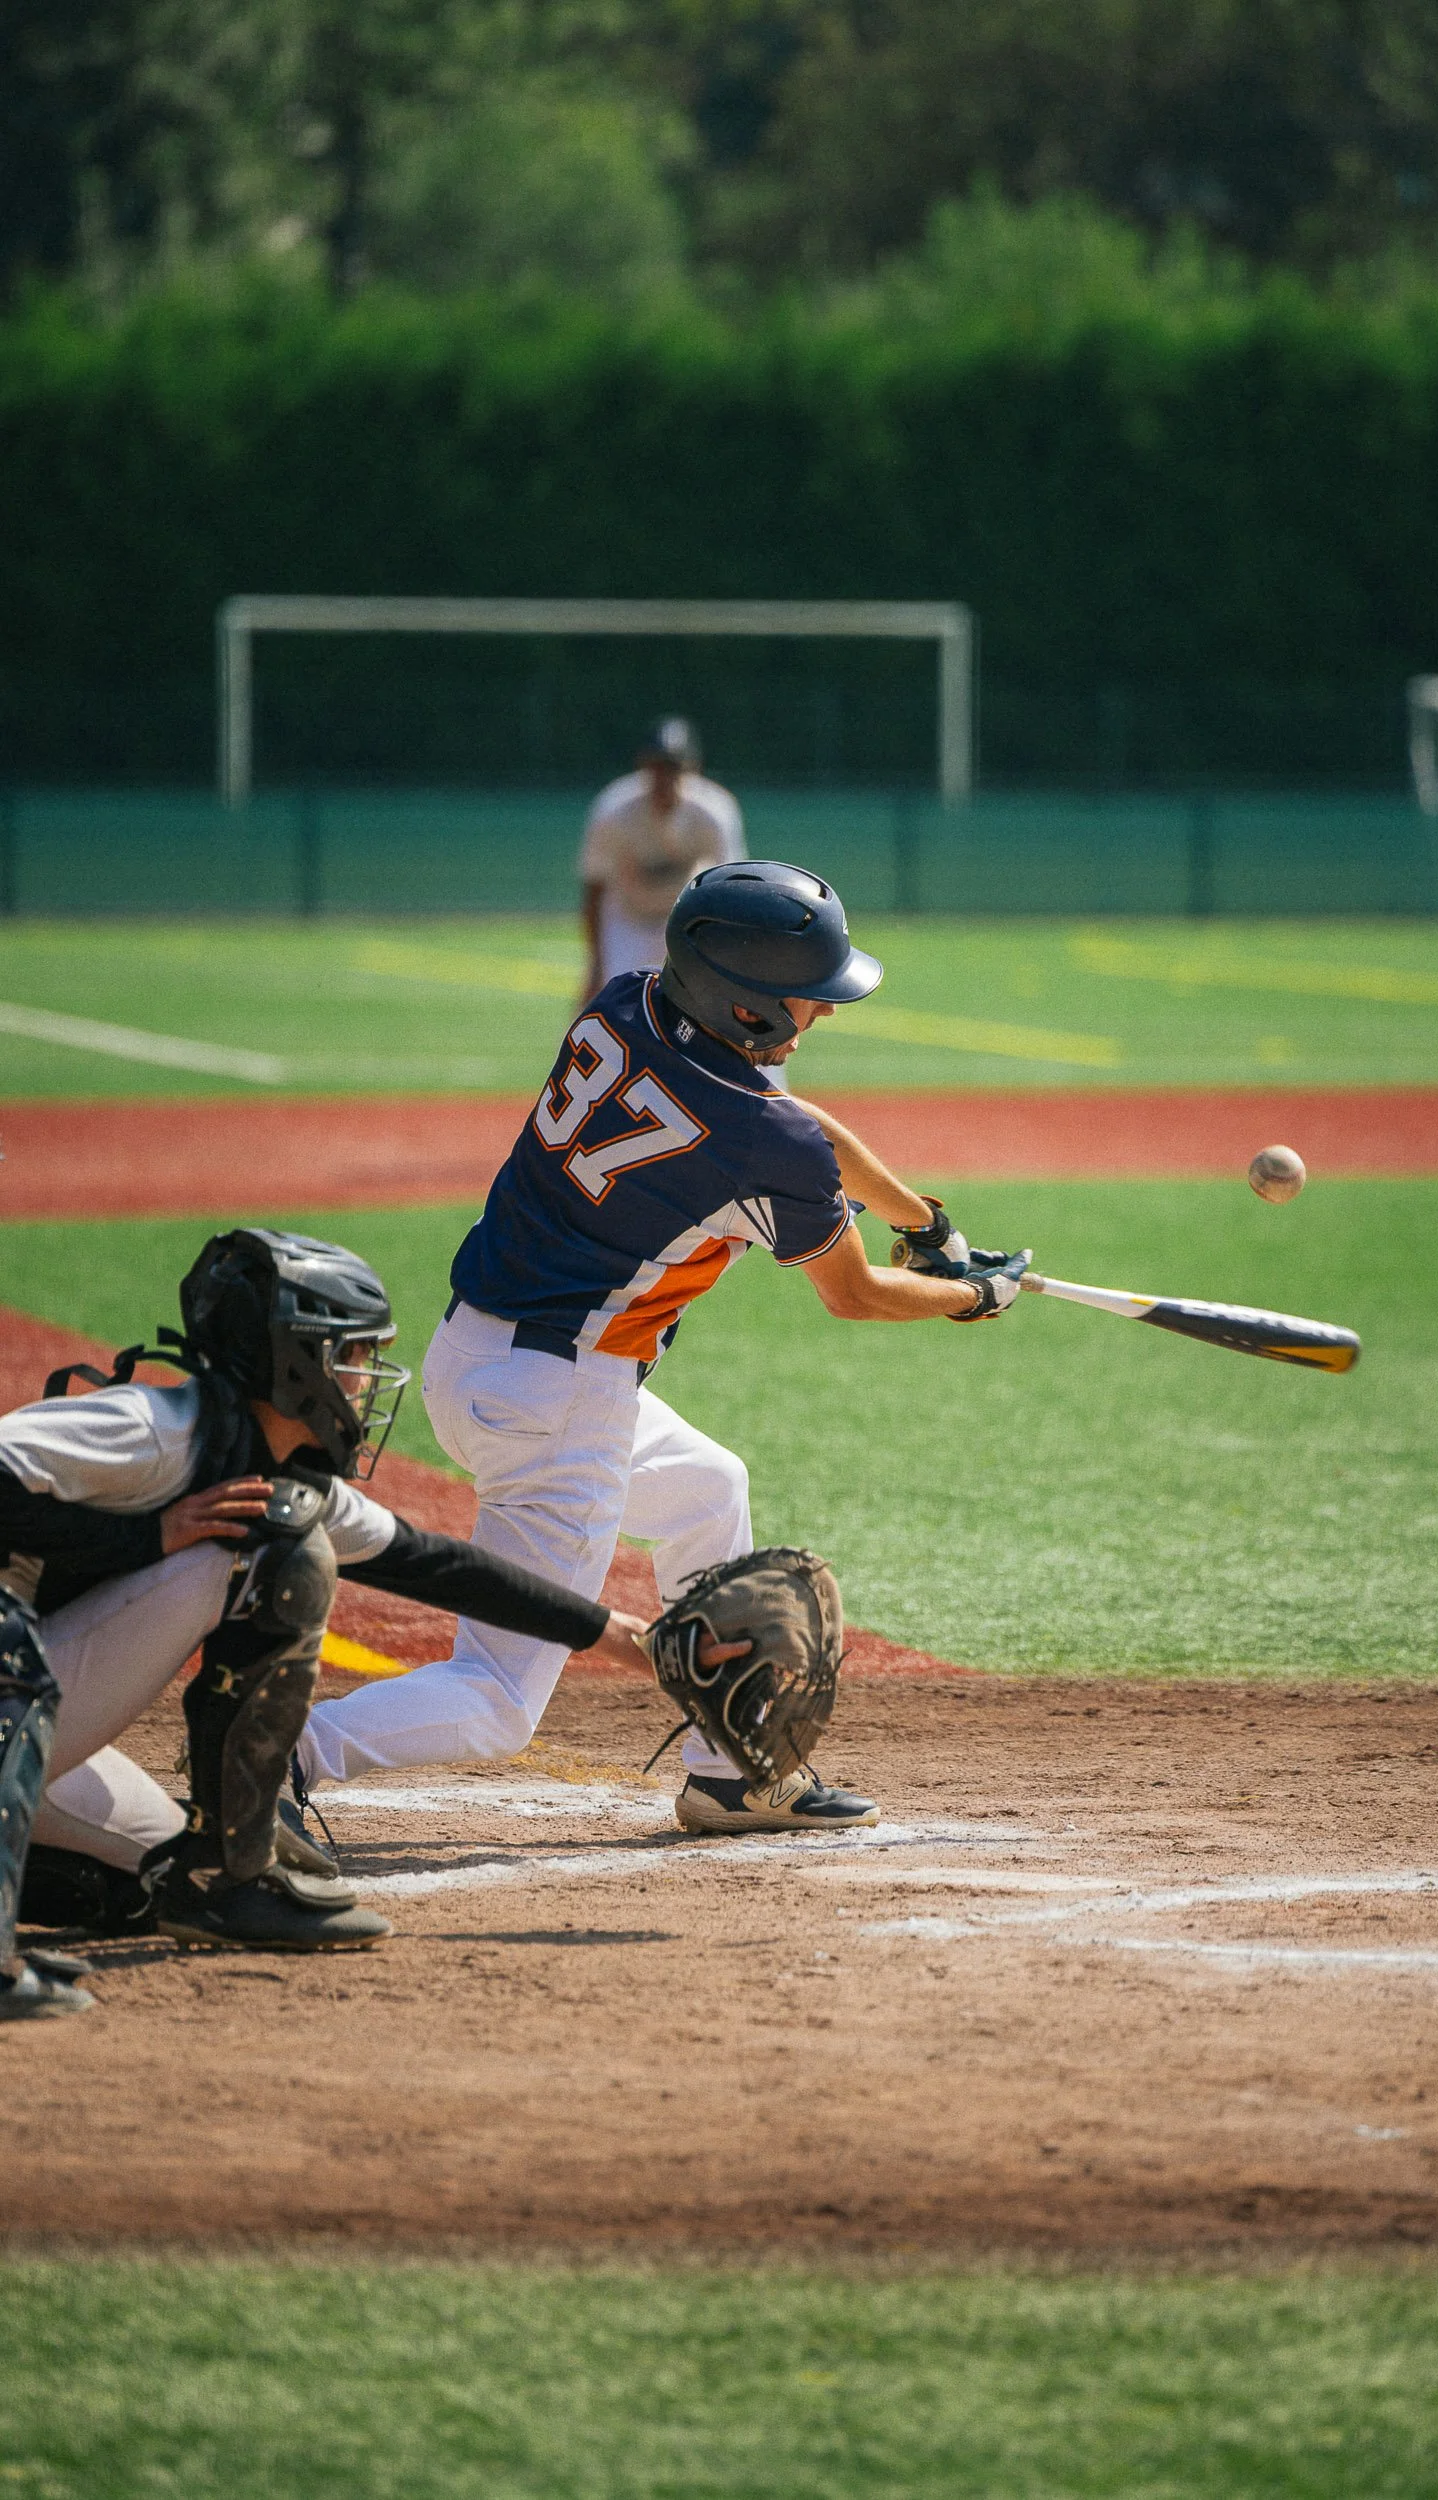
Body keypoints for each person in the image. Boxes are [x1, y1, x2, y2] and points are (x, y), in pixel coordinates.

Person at [294, 860, 1031, 1837]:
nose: (825, 1012)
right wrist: (964, 1293)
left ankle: (728, 1771)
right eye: (809, 996)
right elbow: (852, 1291)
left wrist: (924, 1221)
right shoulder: (764, 1144)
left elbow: (793, 1125)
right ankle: (273, 1760)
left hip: (480, 1355)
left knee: (705, 1487)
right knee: (497, 1700)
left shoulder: (625, 1005)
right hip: (559, 1401)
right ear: (751, 1008)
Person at [1, 1228, 655, 2014]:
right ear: (290, 1360)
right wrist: (145, 1536)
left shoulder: (273, 1471)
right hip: (16, 1696)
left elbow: (433, 1563)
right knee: (265, 1557)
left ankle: (217, 1879)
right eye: (347, 1355)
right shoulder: (156, 1428)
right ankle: (221, 1881)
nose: (363, 1378)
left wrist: (631, 1640)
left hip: (33, 1719)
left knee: (154, 1875)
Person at [578, 718, 746, 1002]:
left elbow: (731, 889)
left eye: (673, 767)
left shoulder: (714, 812)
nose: (664, 777)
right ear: (643, 767)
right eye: (656, 766)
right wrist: (596, 963)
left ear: (692, 768)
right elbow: (595, 888)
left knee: (699, 1005)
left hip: (683, 921)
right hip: (626, 919)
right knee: (608, 1002)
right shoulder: (614, 810)